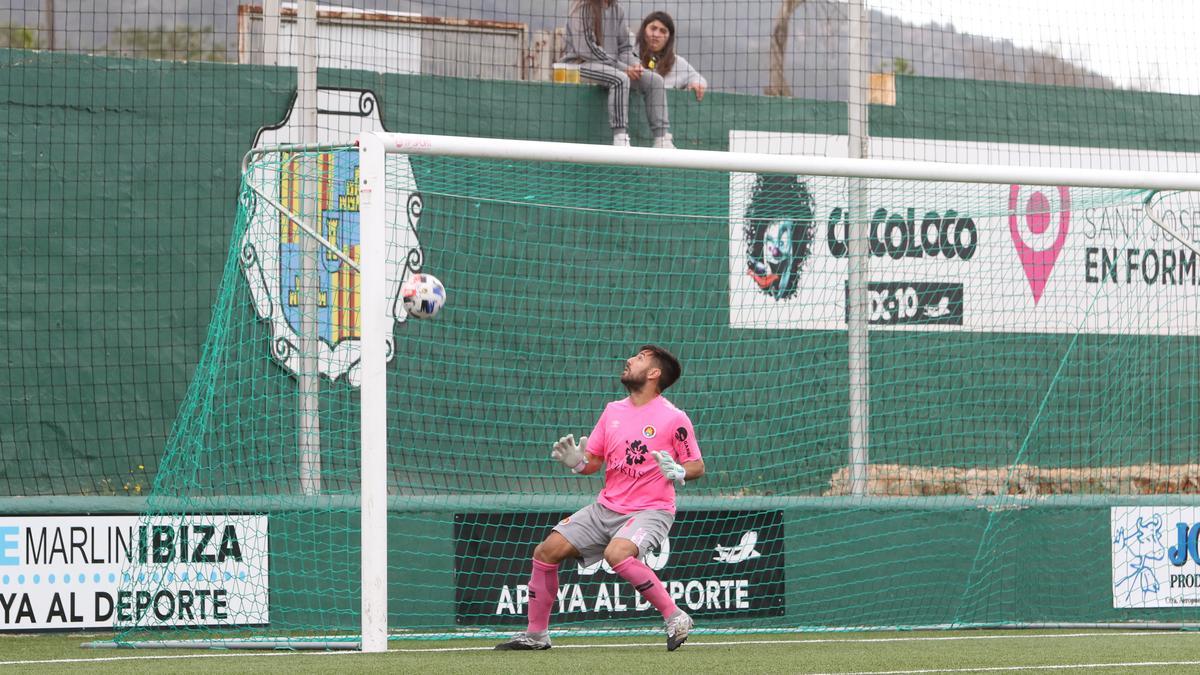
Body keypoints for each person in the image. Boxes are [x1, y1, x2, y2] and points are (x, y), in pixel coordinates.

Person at [495, 345, 705, 652]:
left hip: (651, 510)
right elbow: (593, 462)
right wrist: (577, 462)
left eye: (639, 359)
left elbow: (697, 465)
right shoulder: (612, 411)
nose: (629, 360)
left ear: (654, 373)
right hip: (606, 506)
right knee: (546, 551)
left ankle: (675, 616)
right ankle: (536, 635)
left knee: (617, 554)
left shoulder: (674, 418)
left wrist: (679, 472)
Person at [565, 0, 675, 148]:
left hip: (612, 67)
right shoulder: (582, 7)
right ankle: (620, 138)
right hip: (579, 65)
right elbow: (586, 50)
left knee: (655, 81)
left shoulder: (618, 10)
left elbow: (624, 49)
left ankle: (662, 140)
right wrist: (622, 68)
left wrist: (635, 65)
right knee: (620, 79)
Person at [636, 11, 707, 103]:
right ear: (644, 30)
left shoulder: (677, 63)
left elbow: (698, 78)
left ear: (669, 37)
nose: (656, 35)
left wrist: (697, 84)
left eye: (663, 31)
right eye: (653, 28)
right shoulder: (628, 54)